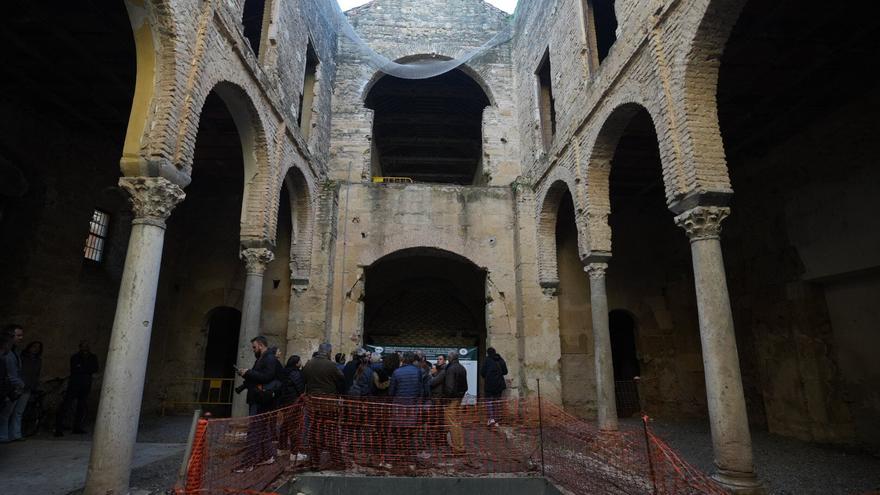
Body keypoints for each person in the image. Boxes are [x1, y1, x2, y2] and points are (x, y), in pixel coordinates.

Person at [233, 336, 282, 472]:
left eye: (254, 347)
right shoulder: (261, 358)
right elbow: (259, 376)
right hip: (257, 398)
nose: (253, 349)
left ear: (260, 345)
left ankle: (249, 462)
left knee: (255, 431)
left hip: (261, 400)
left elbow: (267, 377)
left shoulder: (269, 358)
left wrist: (248, 372)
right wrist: (246, 374)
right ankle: (267, 456)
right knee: (261, 430)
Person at [302, 343, 344, 470]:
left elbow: (304, 379)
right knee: (331, 432)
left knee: (314, 432)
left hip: (312, 403)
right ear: (329, 352)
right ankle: (336, 461)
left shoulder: (309, 364)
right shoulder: (331, 365)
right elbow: (341, 379)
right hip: (329, 403)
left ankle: (315, 461)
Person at [54, 340, 99, 437]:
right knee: (66, 405)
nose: (85, 347)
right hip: (75, 384)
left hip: (86, 384)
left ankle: (77, 427)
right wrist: (85, 370)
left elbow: (95, 368)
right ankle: (58, 427)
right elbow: (76, 369)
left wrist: (83, 369)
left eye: (87, 346)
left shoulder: (92, 357)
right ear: (80, 347)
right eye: (83, 346)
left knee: (81, 406)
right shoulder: (75, 357)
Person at [0, 324, 25, 443]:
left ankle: (13, 435)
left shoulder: (15, 351)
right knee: (5, 414)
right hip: (9, 387)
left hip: (15, 386)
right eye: (18, 335)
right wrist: (20, 384)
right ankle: (3, 437)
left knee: (14, 413)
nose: (21, 338)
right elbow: (8, 373)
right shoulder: (6, 353)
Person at [443, 350, 469, 453]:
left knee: (453, 423)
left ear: (450, 358)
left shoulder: (451, 368)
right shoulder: (462, 368)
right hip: (459, 398)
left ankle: (457, 447)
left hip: (452, 399)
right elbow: (465, 386)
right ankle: (460, 445)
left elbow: (449, 387)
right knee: (457, 422)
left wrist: (447, 399)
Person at [480, 347, 508, 426]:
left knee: (489, 402)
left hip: (489, 384)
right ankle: (497, 420)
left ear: (488, 353)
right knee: (498, 402)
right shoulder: (500, 360)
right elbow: (505, 372)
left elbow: (482, 373)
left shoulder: (487, 360)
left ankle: (491, 419)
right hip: (499, 384)